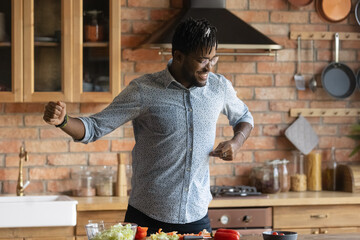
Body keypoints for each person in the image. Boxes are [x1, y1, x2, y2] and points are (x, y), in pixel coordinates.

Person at [43, 17, 253, 234]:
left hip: (197, 217)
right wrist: (63, 121)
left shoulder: (219, 87)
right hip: (147, 219)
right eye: (202, 60)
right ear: (178, 56)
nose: (209, 67)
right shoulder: (144, 90)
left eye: (213, 59)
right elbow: (95, 127)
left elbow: (244, 117)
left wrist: (236, 143)